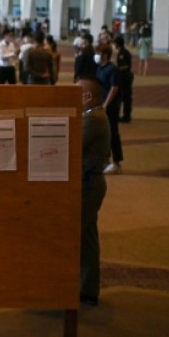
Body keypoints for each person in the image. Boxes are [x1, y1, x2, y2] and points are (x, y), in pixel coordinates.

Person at [77, 62, 110, 306]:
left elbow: (72, 144)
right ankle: (87, 290)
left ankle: (77, 290)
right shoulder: (93, 116)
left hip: (88, 185)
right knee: (87, 238)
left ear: (87, 95)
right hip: (90, 183)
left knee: (73, 235)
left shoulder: (94, 119)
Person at [95, 45, 123, 174]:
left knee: (112, 133)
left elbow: (114, 88)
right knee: (103, 133)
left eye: (99, 53)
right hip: (100, 104)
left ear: (106, 54)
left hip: (110, 106)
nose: (96, 55)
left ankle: (116, 162)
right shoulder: (99, 68)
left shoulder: (113, 69)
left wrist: (106, 104)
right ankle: (105, 159)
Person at [114, 36, 133, 121]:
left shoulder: (122, 53)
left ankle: (126, 116)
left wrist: (117, 69)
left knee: (125, 96)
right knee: (126, 96)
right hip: (126, 76)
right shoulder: (125, 52)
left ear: (117, 44)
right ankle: (126, 115)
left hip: (124, 77)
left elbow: (125, 66)